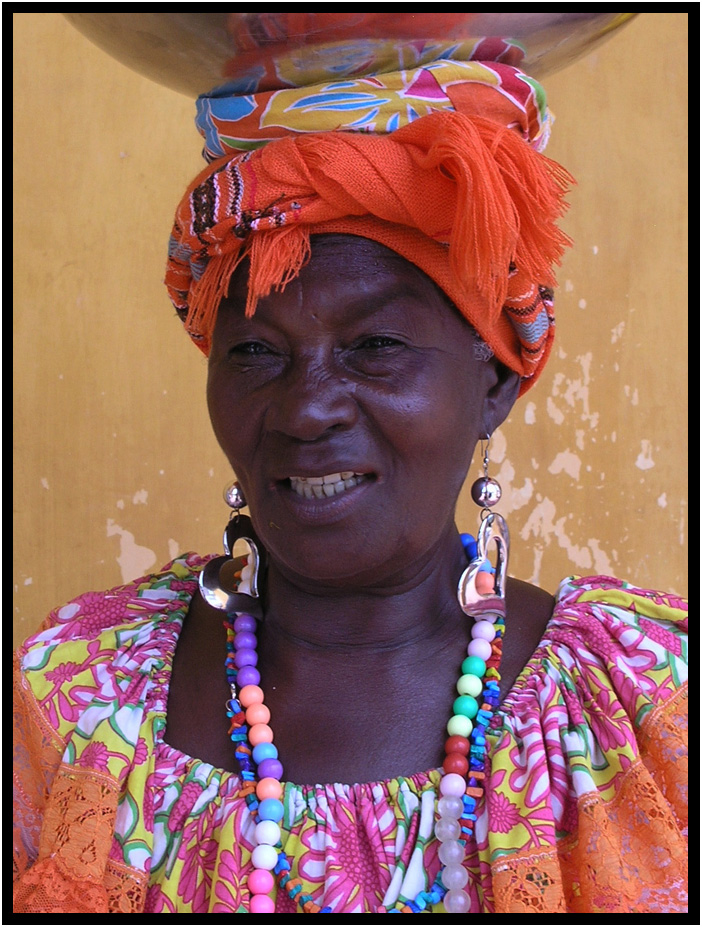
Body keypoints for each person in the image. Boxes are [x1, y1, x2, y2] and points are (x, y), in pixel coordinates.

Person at [13, 51, 687, 915]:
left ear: (493, 381)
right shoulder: (79, 698)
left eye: (376, 347)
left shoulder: (641, 708)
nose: (307, 408)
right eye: (256, 351)